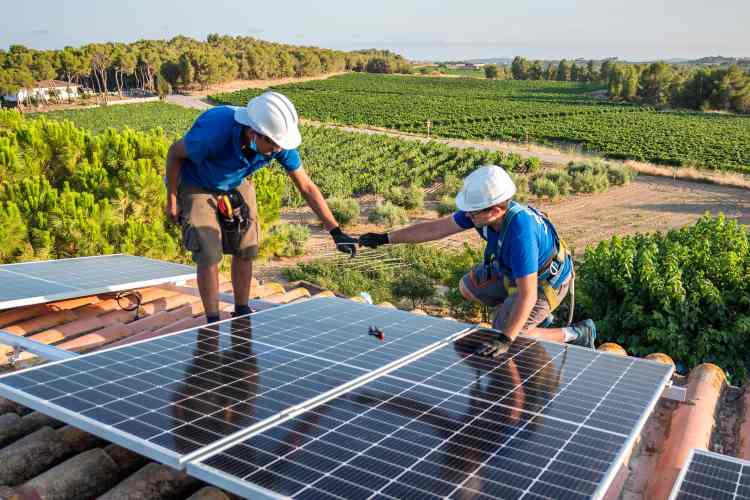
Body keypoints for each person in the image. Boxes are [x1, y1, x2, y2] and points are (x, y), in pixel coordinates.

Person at [359, 164, 596, 356]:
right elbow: (434, 229)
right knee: (467, 287)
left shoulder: (520, 233)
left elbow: (529, 294)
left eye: (473, 212)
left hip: (545, 282)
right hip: (510, 270)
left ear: (494, 210)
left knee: (512, 333)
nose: (468, 216)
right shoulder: (482, 214)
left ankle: (575, 333)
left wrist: (505, 338)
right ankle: (520, 314)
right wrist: (385, 238)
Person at [165, 91, 357, 323]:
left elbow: (306, 186)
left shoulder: (279, 142)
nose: (278, 150)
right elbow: (175, 153)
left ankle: (242, 309)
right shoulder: (214, 131)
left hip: (235, 181)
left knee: (247, 246)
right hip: (196, 181)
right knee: (208, 251)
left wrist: (335, 231)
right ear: (253, 132)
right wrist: (172, 200)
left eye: (280, 145)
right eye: (273, 145)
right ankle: (213, 320)